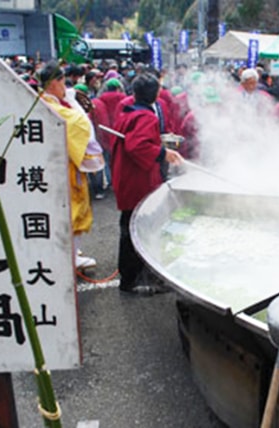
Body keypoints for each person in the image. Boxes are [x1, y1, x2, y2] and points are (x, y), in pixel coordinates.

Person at [111, 73, 184, 294]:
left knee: (129, 226)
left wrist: (159, 143)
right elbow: (138, 147)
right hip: (137, 180)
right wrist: (163, 153)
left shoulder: (128, 111)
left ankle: (132, 276)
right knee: (137, 229)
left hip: (125, 176)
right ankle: (133, 280)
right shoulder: (147, 117)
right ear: (155, 94)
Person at [38, 60, 100, 270]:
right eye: (62, 82)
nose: (65, 87)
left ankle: (72, 251)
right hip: (63, 169)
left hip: (62, 166)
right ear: (54, 83)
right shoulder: (52, 105)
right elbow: (81, 125)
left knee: (75, 210)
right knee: (70, 212)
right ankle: (69, 256)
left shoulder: (47, 101)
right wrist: (74, 104)